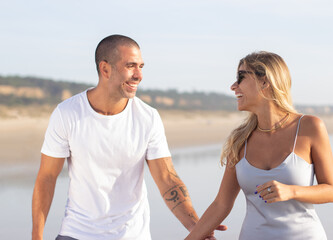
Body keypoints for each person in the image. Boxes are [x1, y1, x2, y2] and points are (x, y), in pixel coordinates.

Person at [32, 34, 225, 240]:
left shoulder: (148, 117)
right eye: (131, 66)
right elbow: (47, 178)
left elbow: (167, 179)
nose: (139, 75)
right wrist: (37, 236)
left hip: (132, 235)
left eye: (141, 66)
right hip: (77, 233)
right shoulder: (67, 113)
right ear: (105, 69)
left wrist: (198, 228)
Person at [185, 51, 333, 240]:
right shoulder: (239, 140)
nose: (233, 86)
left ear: (264, 82)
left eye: (241, 77)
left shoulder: (309, 127)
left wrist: (291, 191)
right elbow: (221, 204)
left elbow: (331, 190)